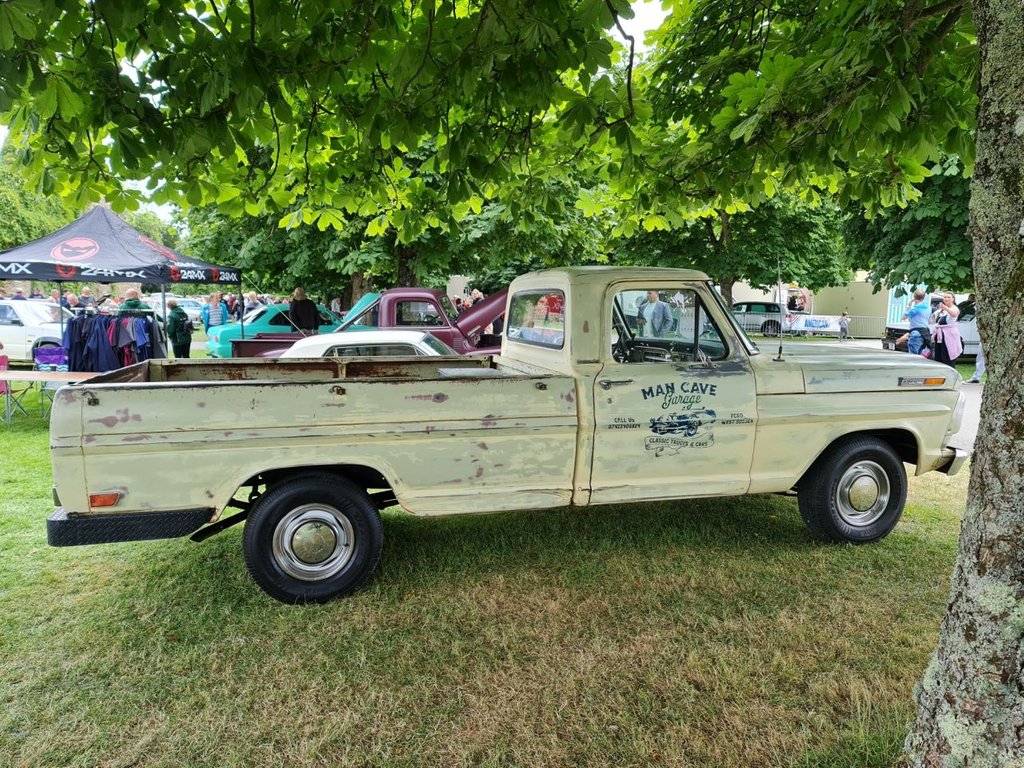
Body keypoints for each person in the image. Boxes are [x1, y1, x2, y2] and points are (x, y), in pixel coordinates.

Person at [930, 291, 962, 367]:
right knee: (939, 356)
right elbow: (932, 318)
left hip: (949, 336)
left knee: (947, 356)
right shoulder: (941, 310)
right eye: (945, 297)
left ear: (953, 299)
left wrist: (946, 308)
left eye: (948, 297)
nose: (946, 299)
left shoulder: (954, 308)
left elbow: (954, 314)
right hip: (940, 335)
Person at [903, 289, 932, 355]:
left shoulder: (914, 309)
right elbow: (929, 321)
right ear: (924, 297)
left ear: (914, 297)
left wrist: (908, 306)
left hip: (916, 333)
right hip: (925, 333)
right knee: (921, 354)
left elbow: (904, 317)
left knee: (913, 355)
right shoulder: (928, 308)